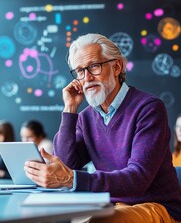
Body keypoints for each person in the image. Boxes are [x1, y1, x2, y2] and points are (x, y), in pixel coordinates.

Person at [24, 33, 181, 223]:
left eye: (93, 66)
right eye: (80, 71)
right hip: (111, 204)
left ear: (116, 67)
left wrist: (72, 179)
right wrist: (70, 109)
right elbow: (66, 164)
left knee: (100, 222)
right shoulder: (85, 118)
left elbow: (138, 179)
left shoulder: (148, 108)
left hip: (158, 206)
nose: (87, 77)